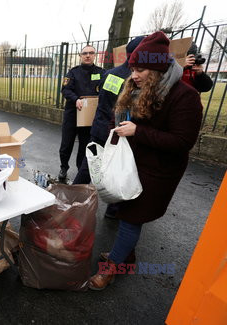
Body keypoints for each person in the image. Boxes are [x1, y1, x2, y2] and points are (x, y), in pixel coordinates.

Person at [88, 32, 203, 290]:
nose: (134, 75)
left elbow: (182, 142)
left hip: (159, 171)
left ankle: (110, 269)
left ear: (158, 68)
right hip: (133, 164)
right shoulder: (137, 87)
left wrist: (138, 132)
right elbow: (120, 118)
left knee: (131, 218)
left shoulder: (185, 96)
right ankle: (125, 257)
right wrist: (116, 128)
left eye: (141, 69)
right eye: (133, 69)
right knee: (127, 212)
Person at [72, 36, 145, 219]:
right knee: (117, 169)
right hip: (119, 132)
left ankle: (70, 199)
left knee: (89, 166)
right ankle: (113, 210)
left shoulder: (110, 73)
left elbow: (103, 100)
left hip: (99, 127)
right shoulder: (136, 78)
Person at [58, 45, 105, 183]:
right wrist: (75, 99)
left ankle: (81, 171)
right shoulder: (73, 72)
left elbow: (104, 91)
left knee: (85, 146)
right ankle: (64, 167)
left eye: (91, 53)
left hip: (89, 118)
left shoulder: (101, 73)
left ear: (95, 55)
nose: (88, 55)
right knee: (66, 144)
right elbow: (65, 90)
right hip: (72, 114)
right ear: (80, 55)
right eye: (85, 53)